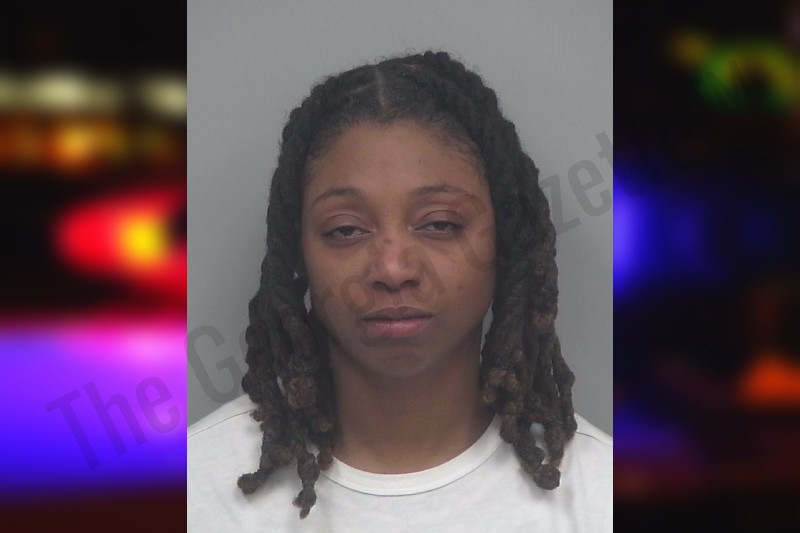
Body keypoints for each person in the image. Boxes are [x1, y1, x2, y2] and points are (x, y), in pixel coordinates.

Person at [188, 50, 612, 532]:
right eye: (346, 230)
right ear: (298, 252)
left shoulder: (599, 500)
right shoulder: (192, 492)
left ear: (505, 244)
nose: (392, 269)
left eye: (440, 223)